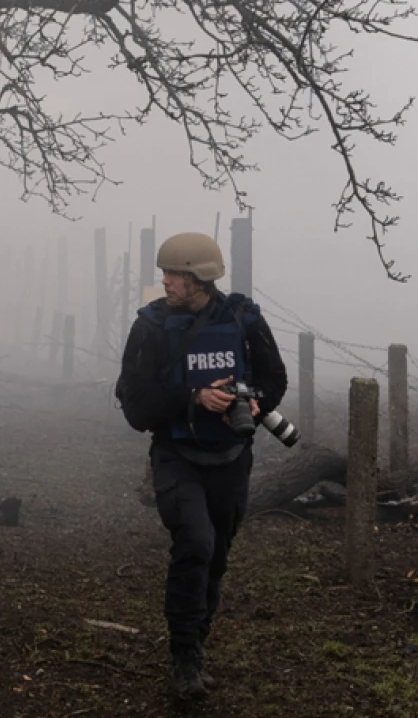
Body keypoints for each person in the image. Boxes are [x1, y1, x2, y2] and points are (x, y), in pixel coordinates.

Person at [117, 232, 287, 698]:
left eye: (176, 274)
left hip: (231, 458)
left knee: (216, 557)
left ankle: (198, 644)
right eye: (165, 273)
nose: (166, 282)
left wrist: (254, 403)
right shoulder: (150, 327)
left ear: (201, 278)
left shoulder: (243, 319)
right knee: (195, 543)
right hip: (176, 456)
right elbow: (135, 406)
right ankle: (184, 660)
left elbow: (274, 379)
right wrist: (193, 397)